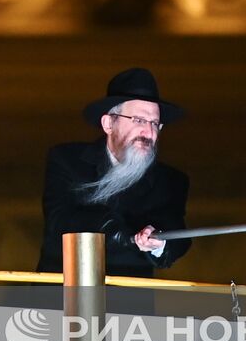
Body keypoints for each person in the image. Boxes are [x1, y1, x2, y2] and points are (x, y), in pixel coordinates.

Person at [37, 68, 191, 278]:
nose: (148, 132)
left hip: (129, 306)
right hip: (59, 299)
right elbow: (59, 220)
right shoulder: (67, 160)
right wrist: (120, 232)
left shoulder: (170, 181)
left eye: (155, 123)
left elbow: (179, 235)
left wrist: (159, 242)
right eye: (138, 120)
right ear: (109, 123)